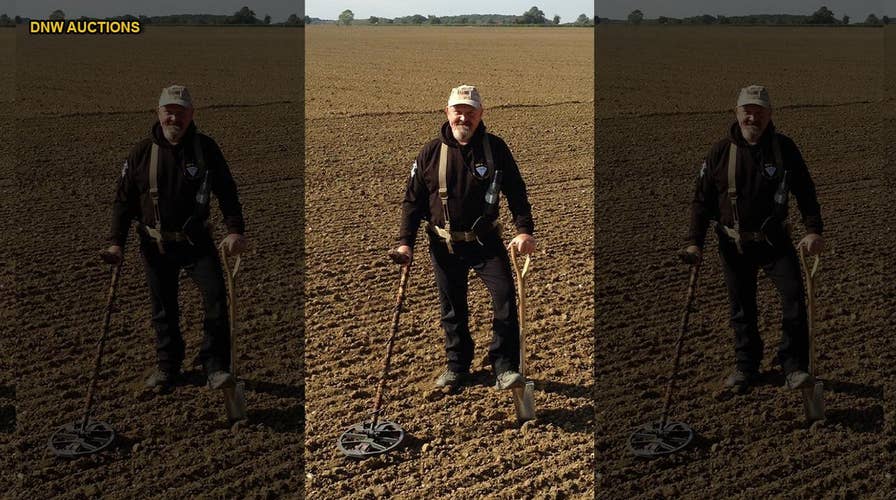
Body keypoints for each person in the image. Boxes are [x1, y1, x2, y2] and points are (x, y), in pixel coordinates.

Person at [102, 85, 248, 393]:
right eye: (169, 112)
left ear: (191, 115)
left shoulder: (206, 149)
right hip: (155, 245)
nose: (174, 118)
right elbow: (123, 201)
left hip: (197, 241)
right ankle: (168, 367)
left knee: (216, 299)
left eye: (181, 113)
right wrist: (116, 242)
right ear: (158, 113)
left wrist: (234, 230)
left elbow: (227, 191)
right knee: (163, 308)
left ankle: (215, 366)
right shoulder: (141, 153)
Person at [683, 84, 824, 393]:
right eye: (747, 111)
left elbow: (806, 191)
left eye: (759, 112)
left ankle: (793, 366)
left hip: (776, 242)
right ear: (737, 113)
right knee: (741, 309)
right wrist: (695, 241)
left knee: (794, 301)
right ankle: (746, 367)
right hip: (734, 245)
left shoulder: (785, 149)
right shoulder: (720, 151)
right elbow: (701, 201)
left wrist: (813, 229)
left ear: (770, 115)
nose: (753, 117)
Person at [395, 84, 536, 391]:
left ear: (480, 115)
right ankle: (457, 368)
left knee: (505, 300)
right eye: (458, 112)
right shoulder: (430, 153)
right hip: (444, 245)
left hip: (486, 242)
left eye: (470, 113)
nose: (463, 118)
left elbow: (516, 191)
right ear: (447, 113)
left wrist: (524, 230)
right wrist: (406, 242)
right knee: (452, 308)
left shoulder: (496, 149)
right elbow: (412, 201)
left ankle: (504, 367)